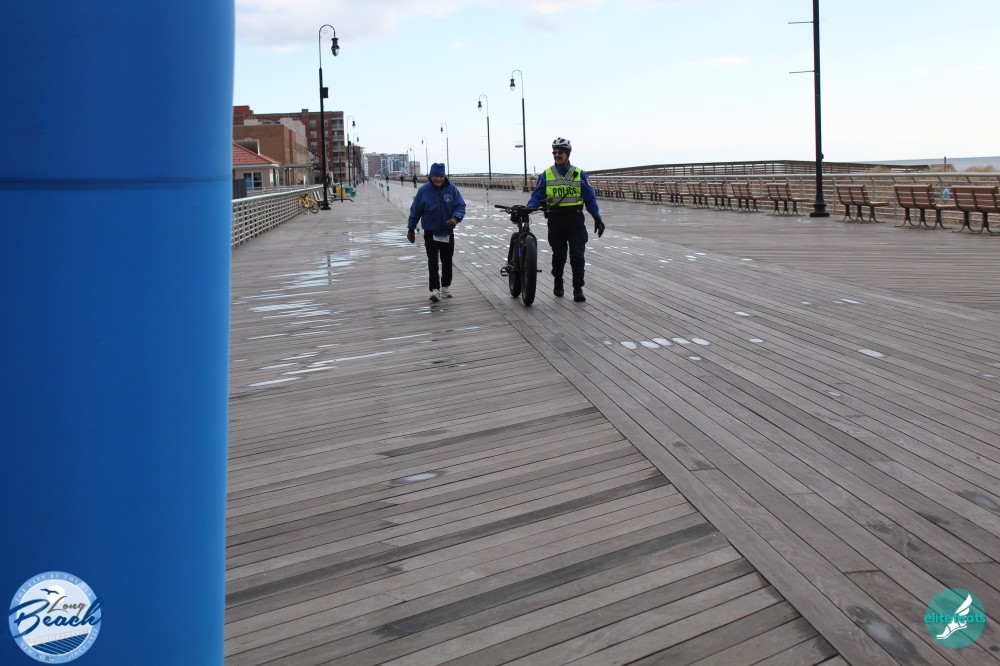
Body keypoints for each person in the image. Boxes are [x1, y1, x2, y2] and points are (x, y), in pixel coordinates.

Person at [527, 137, 604, 302]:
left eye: (560, 152)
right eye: (554, 152)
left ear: (567, 154)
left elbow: (590, 199)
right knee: (559, 255)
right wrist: (530, 207)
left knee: (577, 255)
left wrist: (597, 217)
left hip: (575, 219)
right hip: (556, 220)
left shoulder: (579, 174)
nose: (556, 155)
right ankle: (558, 280)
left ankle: (578, 288)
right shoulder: (546, 175)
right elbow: (536, 196)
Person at [407, 163, 466, 302]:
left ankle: (445, 286)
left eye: (441, 176)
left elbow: (460, 206)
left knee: (447, 260)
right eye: (435, 176)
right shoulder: (424, 191)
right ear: (431, 176)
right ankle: (434, 289)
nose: (438, 179)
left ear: (444, 176)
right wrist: (411, 229)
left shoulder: (452, 189)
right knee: (433, 261)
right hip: (430, 232)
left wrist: (455, 219)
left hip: (447, 232)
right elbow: (415, 210)